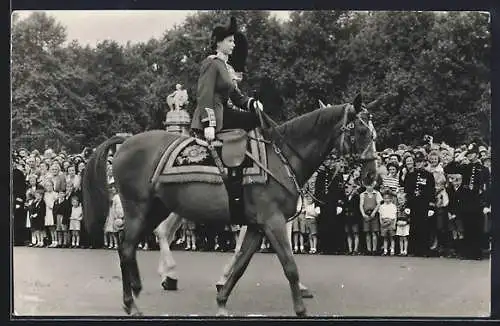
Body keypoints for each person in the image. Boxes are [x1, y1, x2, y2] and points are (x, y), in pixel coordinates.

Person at [191, 16, 263, 139]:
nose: (233, 45)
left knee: (257, 117)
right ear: (219, 42)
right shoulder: (211, 63)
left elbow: (235, 95)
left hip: (223, 112)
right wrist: (208, 123)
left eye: (233, 41)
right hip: (214, 115)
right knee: (252, 119)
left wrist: (252, 104)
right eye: (230, 41)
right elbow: (205, 94)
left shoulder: (225, 66)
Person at [403, 152, 436, 257]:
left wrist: (431, 206)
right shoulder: (410, 175)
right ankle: (414, 250)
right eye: (416, 162)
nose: (418, 164)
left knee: (424, 227)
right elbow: (407, 191)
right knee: (414, 227)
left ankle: (424, 250)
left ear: (424, 162)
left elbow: (431, 191)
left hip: (424, 204)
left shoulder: (429, 175)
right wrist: (407, 205)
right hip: (413, 204)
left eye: (420, 162)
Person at [359, 181, 382, 255]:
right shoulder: (362, 194)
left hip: (374, 214)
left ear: (373, 186)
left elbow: (379, 204)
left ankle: (374, 249)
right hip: (366, 214)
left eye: (371, 185)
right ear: (365, 186)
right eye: (368, 186)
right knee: (367, 233)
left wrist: (374, 212)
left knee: (374, 232)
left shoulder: (377, 193)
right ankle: (368, 249)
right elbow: (361, 205)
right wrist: (363, 214)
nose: (369, 187)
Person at [379, 190, 397, 256]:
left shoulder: (393, 206)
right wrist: (381, 222)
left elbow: (395, 216)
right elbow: (380, 215)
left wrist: (394, 224)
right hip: (384, 221)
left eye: (388, 198)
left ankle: (392, 250)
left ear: (391, 199)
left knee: (392, 237)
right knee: (385, 237)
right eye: (385, 198)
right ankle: (385, 250)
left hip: (391, 221)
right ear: (383, 198)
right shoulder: (382, 206)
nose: (386, 200)